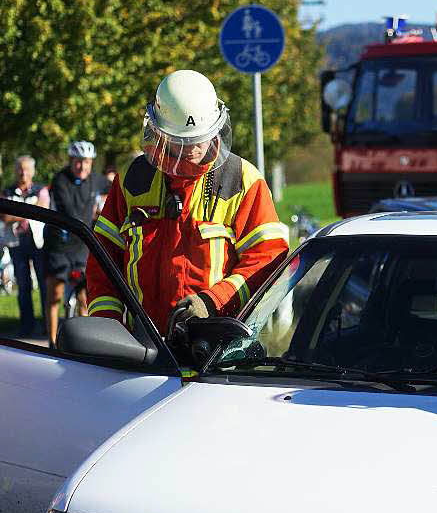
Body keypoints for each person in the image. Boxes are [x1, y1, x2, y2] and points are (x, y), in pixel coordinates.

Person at [87, 69, 288, 343]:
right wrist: (107, 328)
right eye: (182, 142)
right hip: (141, 349)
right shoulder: (133, 181)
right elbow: (103, 261)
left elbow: (268, 262)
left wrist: (213, 301)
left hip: (216, 351)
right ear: (158, 132)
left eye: (199, 139)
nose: (193, 149)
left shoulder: (241, 180)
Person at [44, 140, 98, 346]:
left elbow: (114, 185)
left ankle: (83, 343)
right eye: (78, 162)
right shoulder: (60, 181)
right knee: (55, 295)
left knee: (85, 297)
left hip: (82, 245)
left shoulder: (94, 181)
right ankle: (51, 341)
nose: (82, 167)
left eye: (86, 162)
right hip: (60, 245)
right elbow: (68, 211)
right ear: (70, 161)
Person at [1, 155, 49, 336]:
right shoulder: (7, 191)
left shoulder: (40, 190)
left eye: (27, 169)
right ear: (15, 171)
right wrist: (30, 212)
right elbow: (4, 216)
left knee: (44, 284)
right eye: (20, 168)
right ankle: (26, 326)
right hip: (17, 242)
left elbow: (43, 211)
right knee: (23, 285)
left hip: (37, 242)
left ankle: (47, 324)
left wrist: (17, 212)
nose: (23, 172)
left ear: (33, 171)